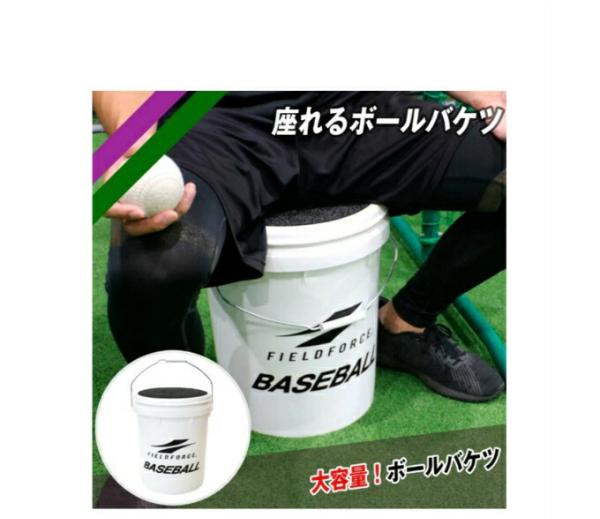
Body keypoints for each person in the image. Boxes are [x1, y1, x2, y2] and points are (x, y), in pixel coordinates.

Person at [94, 91, 506, 403]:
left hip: (352, 109)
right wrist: (133, 149)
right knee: (155, 271)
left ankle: (403, 323)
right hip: (216, 120)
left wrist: (487, 96)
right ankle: (180, 409)